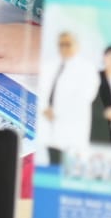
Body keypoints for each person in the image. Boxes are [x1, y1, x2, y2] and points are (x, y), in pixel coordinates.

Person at [40, 31, 97, 166]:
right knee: (52, 161)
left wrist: (57, 112)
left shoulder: (86, 69)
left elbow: (85, 97)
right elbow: (45, 91)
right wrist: (45, 109)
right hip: (50, 128)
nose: (63, 48)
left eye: (67, 44)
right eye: (61, 45)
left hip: (71, 129)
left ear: (77, 46)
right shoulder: (52, 66)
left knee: (71, 167)